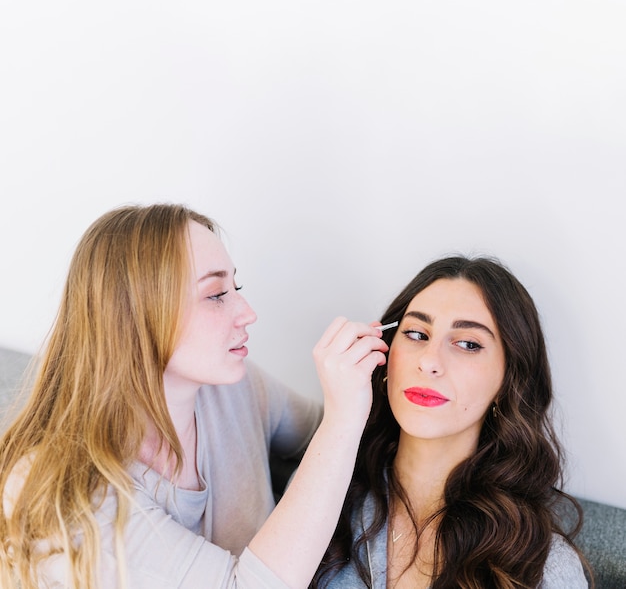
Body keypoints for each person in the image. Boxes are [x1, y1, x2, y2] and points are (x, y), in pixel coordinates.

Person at [0, 203, 389, 589]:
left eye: (236, 287)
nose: (247, 312)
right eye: (216, 294)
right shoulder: (72, 498)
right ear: (134, 315)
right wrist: (343, 419)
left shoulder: (233, 388)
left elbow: (329, 447)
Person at [312, 256, 591, 589]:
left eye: (468, 344)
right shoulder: (323, 496)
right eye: (416, 334)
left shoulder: (542, 568)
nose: (430, 361)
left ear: (507, 383)